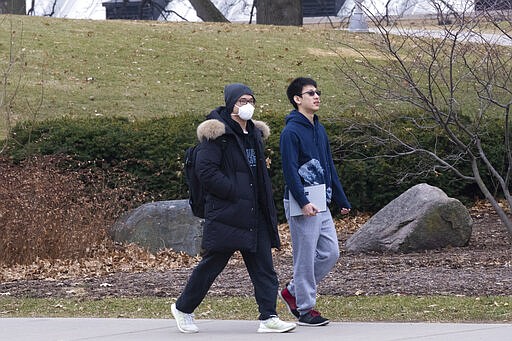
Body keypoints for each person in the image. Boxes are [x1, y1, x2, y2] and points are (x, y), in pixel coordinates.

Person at [171, 83, 296, 334]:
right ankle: (183, 309)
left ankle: (269, 317)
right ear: (230, 104)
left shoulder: (254, 135)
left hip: (254, 213)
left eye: (250, 100)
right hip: (228, 213)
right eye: (241, 100)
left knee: (264, 267)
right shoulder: (216, 135)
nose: (247, 105)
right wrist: (234, 192)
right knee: (212, 265)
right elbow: (206, 172)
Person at [279, 77, 351, 326]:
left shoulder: (318, 128)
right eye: (310, 93)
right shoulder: (290, 131)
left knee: (331, 253)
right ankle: (306, 308)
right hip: (303, 204)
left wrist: (340, 197)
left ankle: (293, 292)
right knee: (305, 257)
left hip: (322, 201)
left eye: (317, 92)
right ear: (298, 99)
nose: (317, 96)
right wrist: (302, 201)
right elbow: (289, 170)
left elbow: (329, 165)